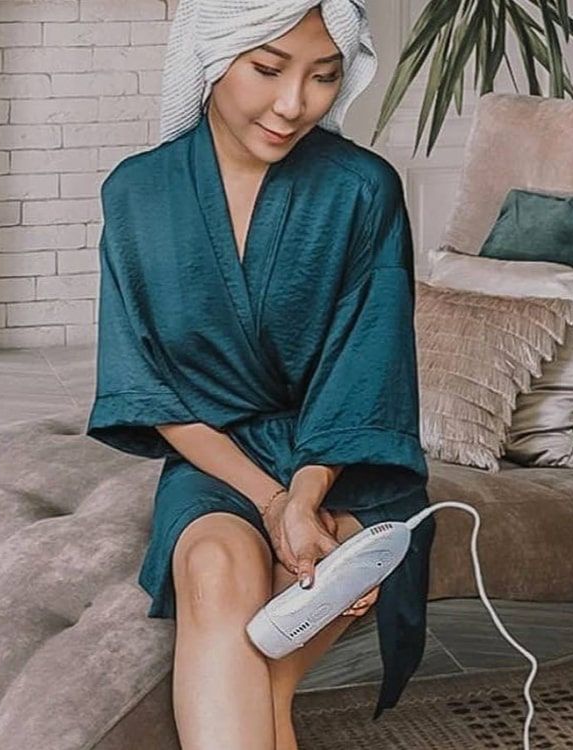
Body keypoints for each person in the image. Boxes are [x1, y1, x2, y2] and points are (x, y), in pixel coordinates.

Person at [85, 1, 436, 748]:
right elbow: (152, 390)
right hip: (216, 460)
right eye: (268, 69)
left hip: (347, 463)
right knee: (217, 569)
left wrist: (304, 497)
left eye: (323, 76)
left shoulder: (362, 188)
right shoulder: (137, 194)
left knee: (257, 664)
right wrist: (274, 503)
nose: (292, 104)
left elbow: (364, 371)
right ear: (212, 56)